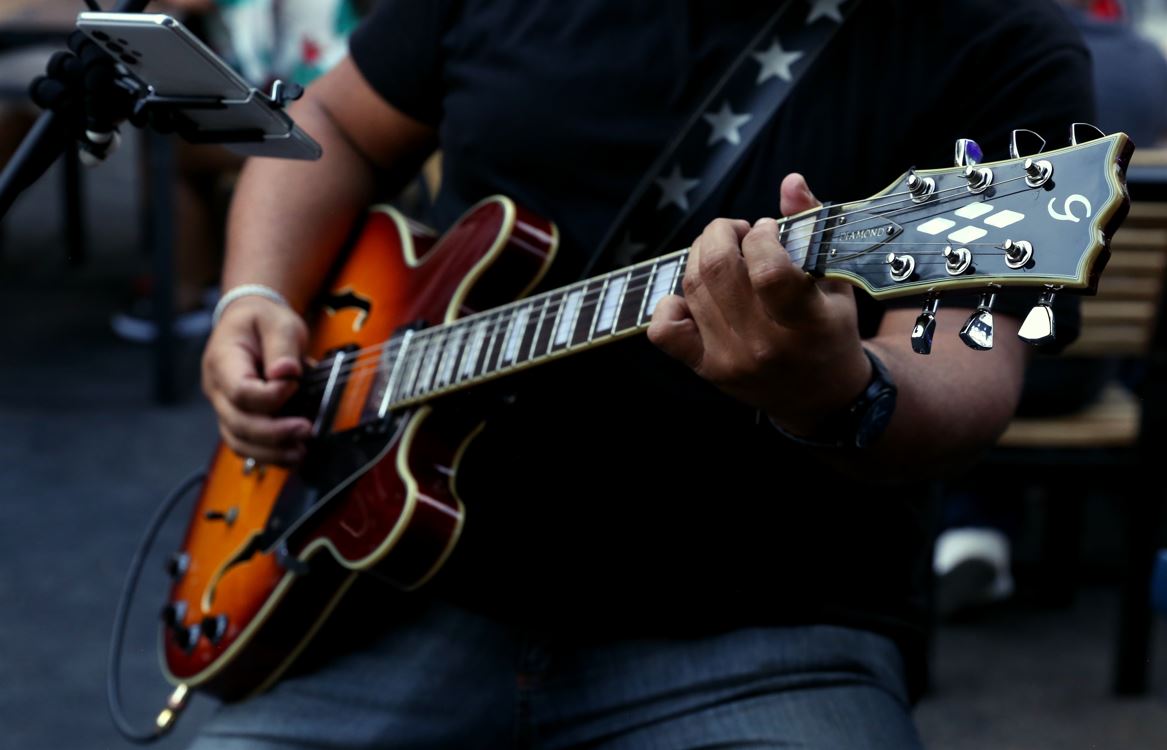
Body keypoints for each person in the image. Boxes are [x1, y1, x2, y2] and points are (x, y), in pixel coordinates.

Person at [193, 1, 1093, 746]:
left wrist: (837, 392)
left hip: (763, 630)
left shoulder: (994, 38)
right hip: (405, 595)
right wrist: (255, 293)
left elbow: (971, 369)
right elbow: (331, 121)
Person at [932, 0, 1167, 619]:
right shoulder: (1147, 65)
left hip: (951, 352)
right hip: (1088, 360)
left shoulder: (971, 57)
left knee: (967, 327)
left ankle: (973, 533)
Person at [109, 0, 365, 343]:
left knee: (174, 148)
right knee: (181, 134)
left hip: (323, 119)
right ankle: (205, 273)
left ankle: (188, 288)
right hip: (319, 106)